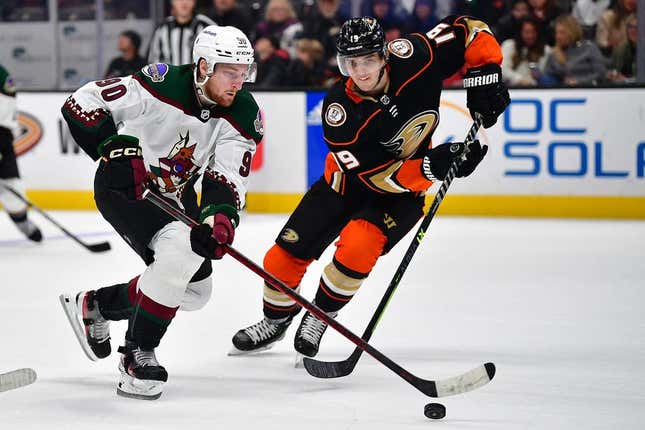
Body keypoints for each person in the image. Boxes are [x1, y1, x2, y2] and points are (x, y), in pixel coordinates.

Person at [231, 16, 509, 357]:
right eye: (351, 62)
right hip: (345, 184)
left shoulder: (415, 57)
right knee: (279, 260)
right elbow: (374, 177)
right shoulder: (339, 111)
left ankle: (321, 313)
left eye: (368, 60)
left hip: (401, 197)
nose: (360, 72)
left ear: (384, 56)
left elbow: (470, 28)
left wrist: (486, 74)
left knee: (358, 246)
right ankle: (275, 321)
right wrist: (431, 166)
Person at [59, 25, 262, 400]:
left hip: (175, 197)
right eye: (231, 72)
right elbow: (82, 102)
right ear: (204, 66)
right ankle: (137, 353)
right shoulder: (162, 83)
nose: (240, 81)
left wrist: (218, 218)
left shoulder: (244, 113)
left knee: (196, 291)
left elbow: (226, 175)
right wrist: (112, 146)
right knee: (178, 255)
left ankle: (96, 305)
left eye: (244, 71)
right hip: (126, 189)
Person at [0, 64, 42, 242]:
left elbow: (6, 106)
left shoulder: (1, 74)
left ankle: (22, 222)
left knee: (11, 185)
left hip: (0, 136)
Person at [543, 14, 606, 85]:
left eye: (562, 33)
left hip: (587, 89)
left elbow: (600, 74)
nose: (558, 36)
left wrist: (579, 81)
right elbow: (548, 76)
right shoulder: (554, 53)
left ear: (572, 32)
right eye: (557, 33)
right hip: (562, 91)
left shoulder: (589, 48)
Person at [147, 0, 214, 65]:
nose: (184, 2)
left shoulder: (207, 27)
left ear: (194, 1)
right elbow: (153, 60)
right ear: (172, 2)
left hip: (198, 75)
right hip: (170, 76)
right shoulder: (162, 28)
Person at [501, 17, 552, 86]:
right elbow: (503, 70)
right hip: (511, 88)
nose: (530, 36)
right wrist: (520, 80)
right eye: (527, 32)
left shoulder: (545, 49)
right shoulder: (509, 45)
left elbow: (544, 73)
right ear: (520, 32)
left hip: (537, 89)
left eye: (533, 32)